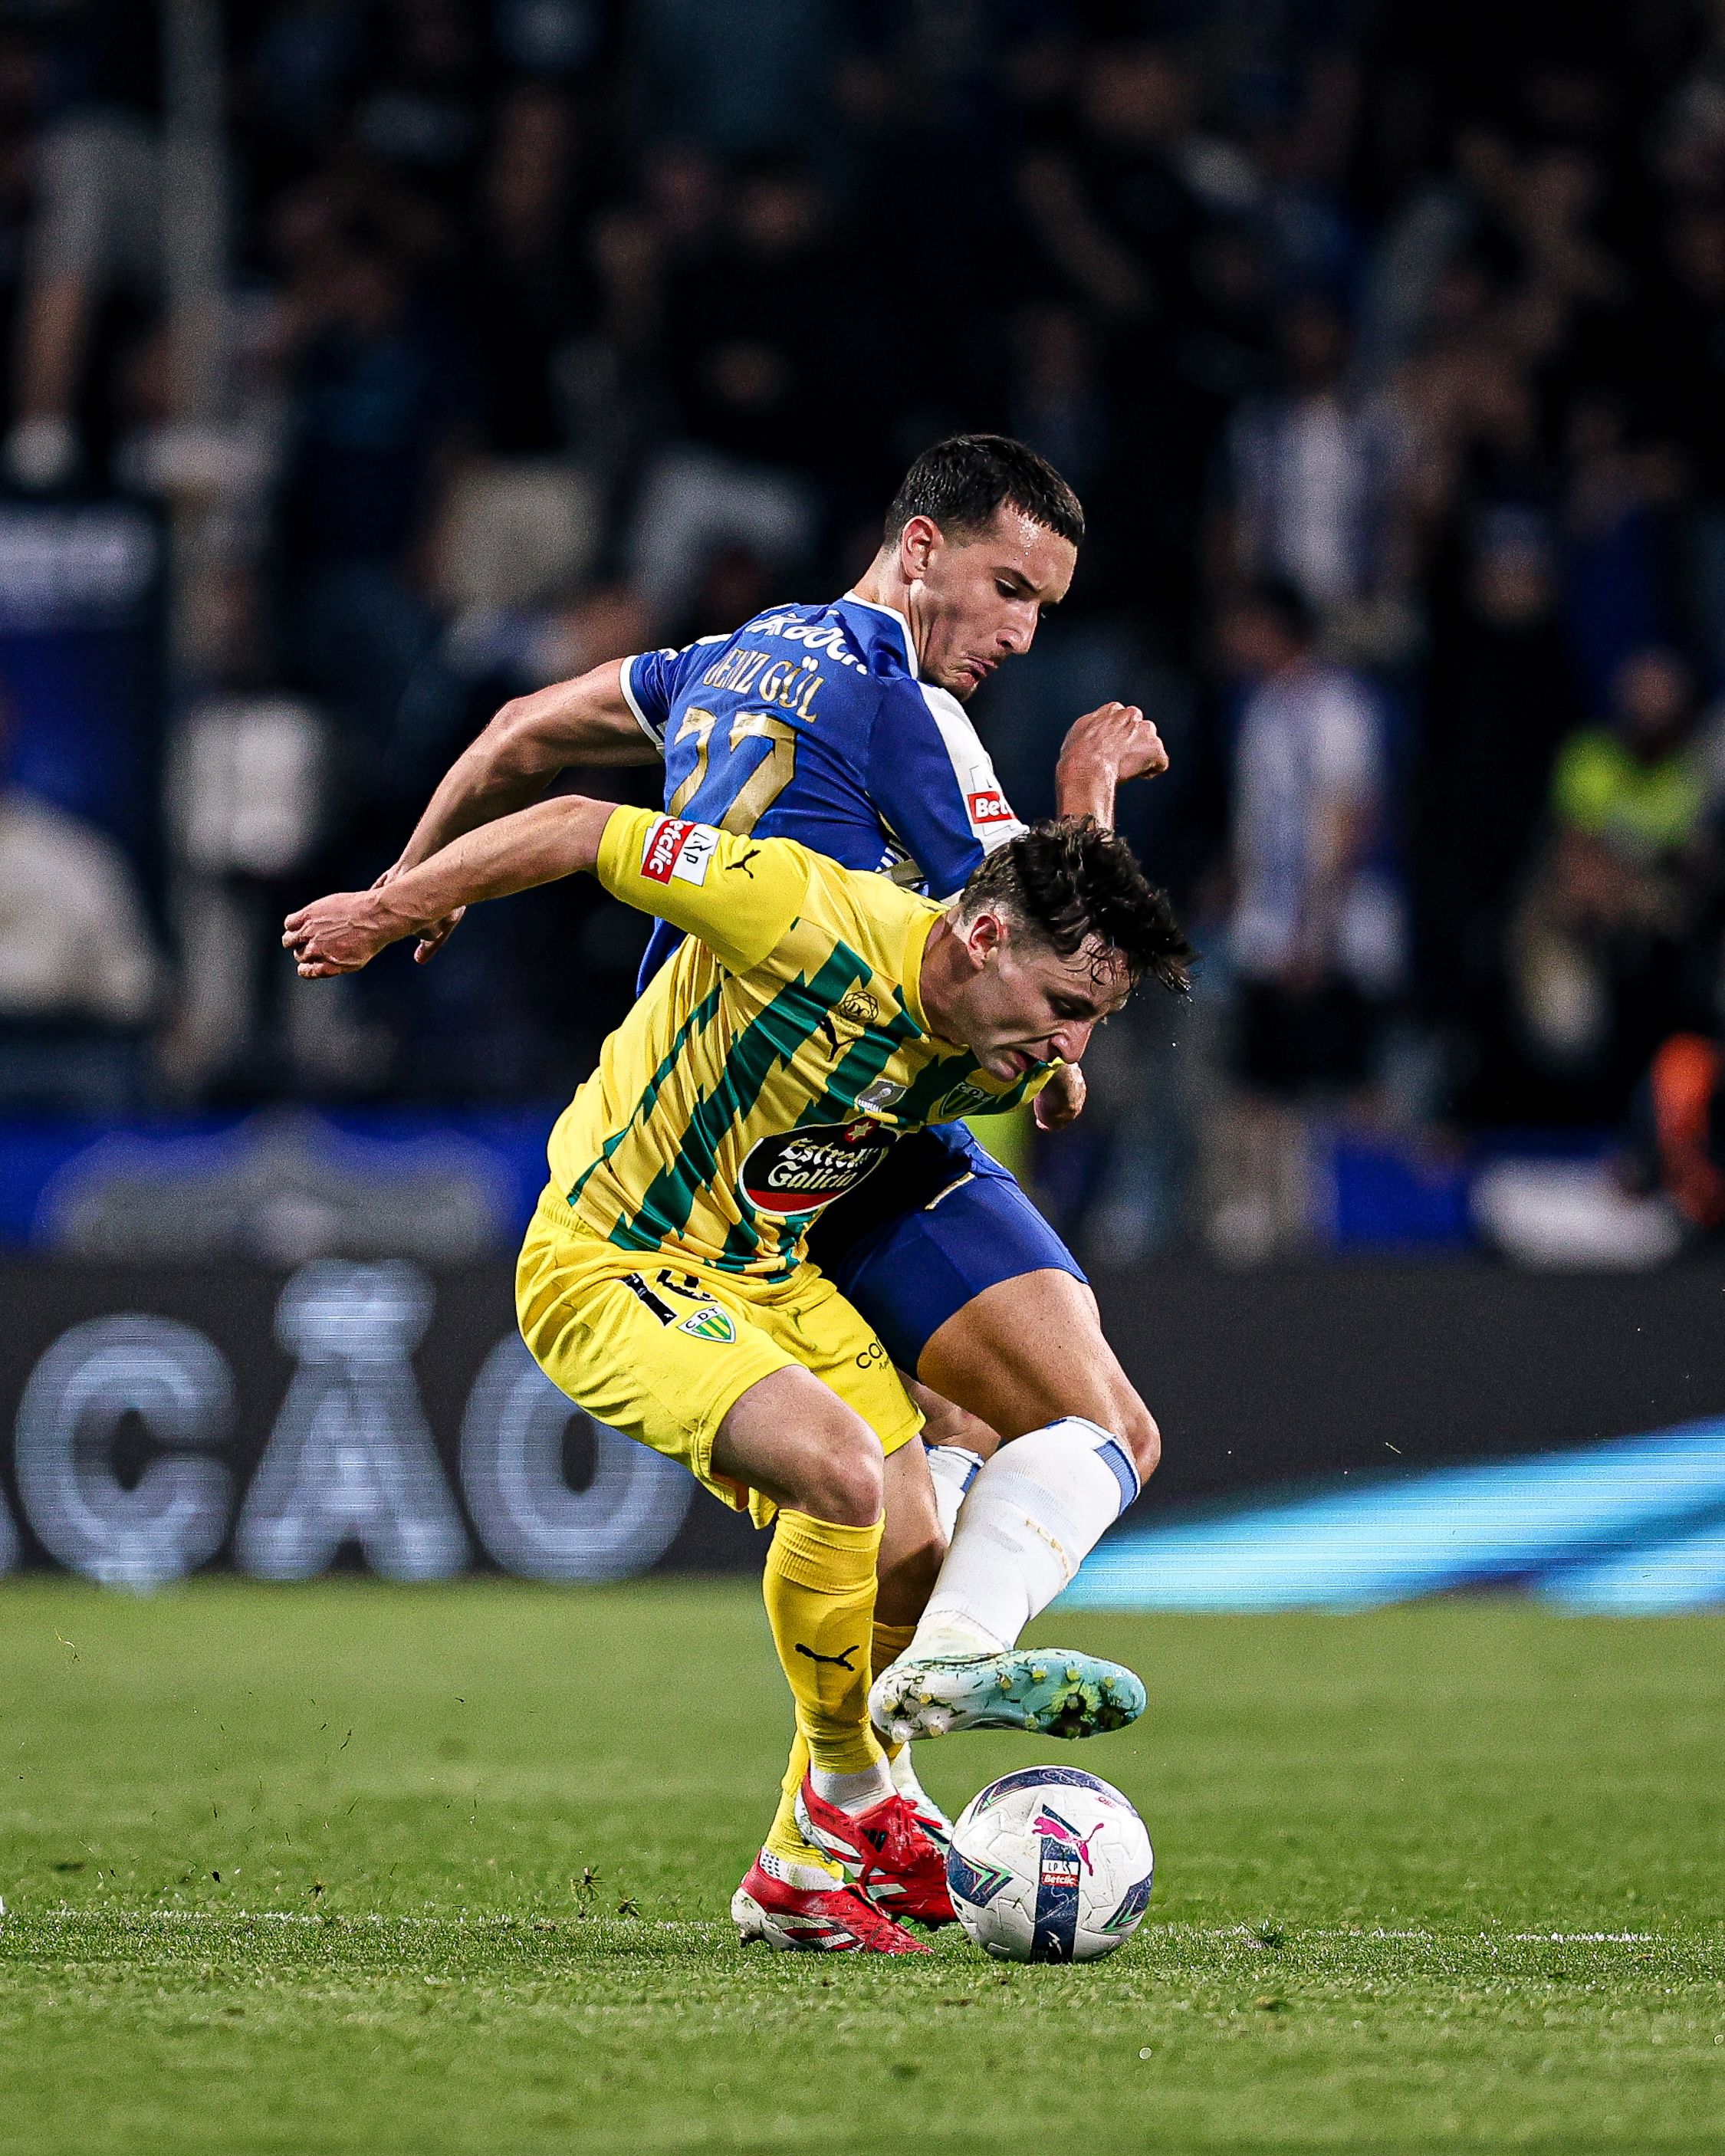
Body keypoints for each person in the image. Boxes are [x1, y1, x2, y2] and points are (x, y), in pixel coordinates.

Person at [373, 434, 1175, 1785]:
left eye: (1045, 604)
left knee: (962, 1453)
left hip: (752, 1111)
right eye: (1011, 589)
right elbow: (1045, 917)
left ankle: (879, 1778)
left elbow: (518, 732)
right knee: (1037, 1444)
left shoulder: (725, 657)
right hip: (838, 1131)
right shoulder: (907, 712)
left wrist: (416, 881)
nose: (1024, 635)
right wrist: (1089, 793)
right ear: (919, 549)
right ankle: (884, 1759)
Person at [284, 800, 1192, 1954]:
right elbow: (576, 824)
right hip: (612, 1260)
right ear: (982, 940)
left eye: (1093, 1023)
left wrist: (1057, 1062)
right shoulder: (797, 910)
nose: (1069, 1045)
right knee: (837, 1469)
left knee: (910, 1563)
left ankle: (798, 1874)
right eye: (1066, 1012)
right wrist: (391, 904)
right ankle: (856, 1801)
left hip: (768, 1276)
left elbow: (1053, 986)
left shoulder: (994, 1040)